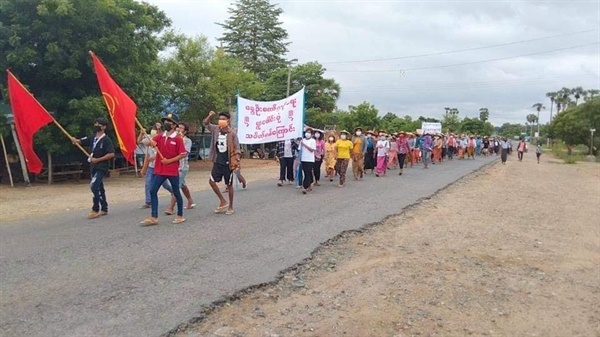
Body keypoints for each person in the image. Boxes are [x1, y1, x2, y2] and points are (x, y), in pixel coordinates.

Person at [140, 114, 187, 226]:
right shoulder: (160, 136)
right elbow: (146, 143)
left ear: (174, 125)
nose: (166, 123)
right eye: (165, 121)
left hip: (172, 170)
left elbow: (182, 154)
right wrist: (150, 142)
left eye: (169, 121)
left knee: (176, 192)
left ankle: (180, 215)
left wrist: (169, 161)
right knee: (152, 190)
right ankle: (154, 216)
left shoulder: (178, 139)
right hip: (160, 170)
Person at [71, 117, 115, 219]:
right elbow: (80, 141)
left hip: (101, 166)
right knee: (99, 187)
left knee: (94, 185)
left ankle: (95, 209)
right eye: (95, 124)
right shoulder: (92, 137)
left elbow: (111, 154)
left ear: (104, 127)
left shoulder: (106, 140)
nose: (96, 126)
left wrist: (98, 159)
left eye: (98, 124)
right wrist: (75, 140)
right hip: (93, 166)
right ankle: (104, 208)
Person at [203, 111, 241, 215]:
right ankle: (222, 201)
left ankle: (231, 206)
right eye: (220, 119)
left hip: (228, 162)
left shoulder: (232, 133)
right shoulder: (215, 129)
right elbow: (205, 124)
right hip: (217, 161)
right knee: (211, 181)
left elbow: (237, 148)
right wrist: (210, 115)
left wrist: (236, 161)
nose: (221, 121)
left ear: (228, 121)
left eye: (223, 119)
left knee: (229, 185)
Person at [137, 125, 173, 209]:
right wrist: (141, 133)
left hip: (160, 166)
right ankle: (148, 201)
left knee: (165, 185)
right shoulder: (149, 139)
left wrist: (156, 157)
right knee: (148, 183)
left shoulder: (163, 140)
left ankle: (173, 192)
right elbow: (140, 142)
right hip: (151, 167)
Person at [165, 123, 195, 215]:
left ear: (185, 131)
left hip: (182, 167)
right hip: (174, 166)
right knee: (182, 184)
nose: (179, 129)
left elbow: (184, 153)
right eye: (178, 127)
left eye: (181, 128)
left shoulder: (187, 141)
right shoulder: (173, 138)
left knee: (176, 186)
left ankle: (171, 208)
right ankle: (190, 200)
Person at [299, 128, 316, 194]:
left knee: (307, 172)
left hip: (310, 159)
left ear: (311, 134)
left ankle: (305, 187)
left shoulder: (313, 141)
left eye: (309, 132)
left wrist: (304, 145)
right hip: (303, 159)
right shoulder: (302, 140)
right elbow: (299, 149)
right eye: (306, 132)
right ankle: (310, 182)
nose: (307, 134)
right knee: (305, 172)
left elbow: (312, 150)